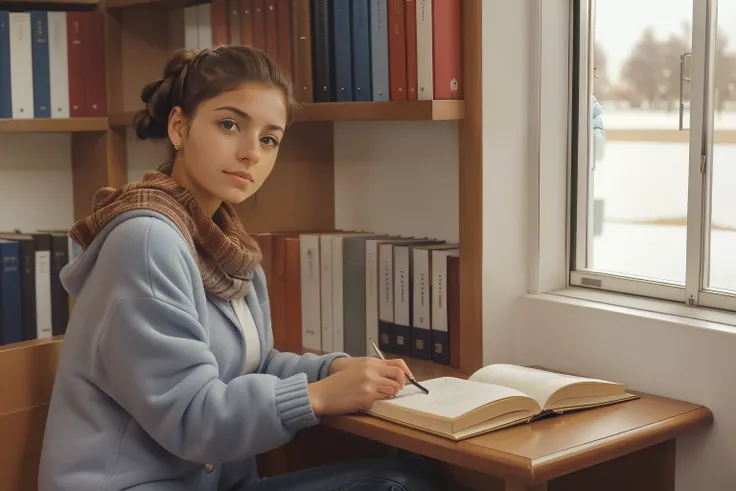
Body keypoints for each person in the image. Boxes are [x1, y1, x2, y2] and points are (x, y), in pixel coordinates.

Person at [37, 46, 440, 491]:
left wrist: (331, 370)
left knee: (404, 479)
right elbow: (191, 417)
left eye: (269, 139)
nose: (251, 153)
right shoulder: (147, 242)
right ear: (178, 127)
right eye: (229, 125)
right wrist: (318, 396)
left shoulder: (223, 242)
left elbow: (252, 367)